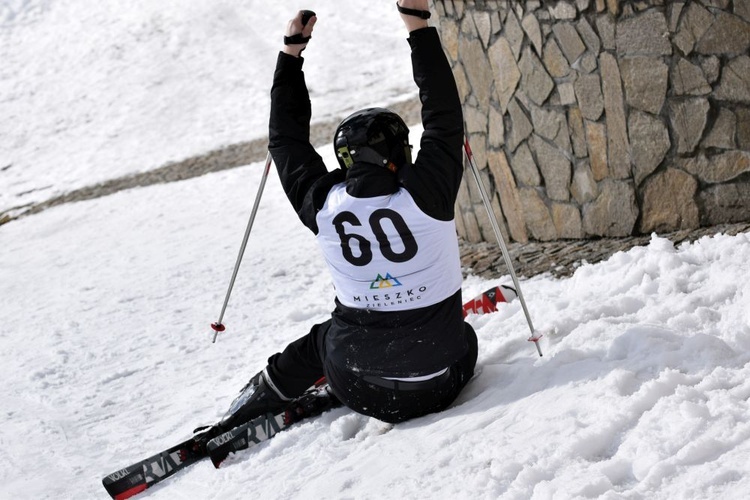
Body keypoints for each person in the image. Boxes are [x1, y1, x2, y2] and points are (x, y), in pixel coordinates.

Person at [197, 0, 476, 447]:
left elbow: (285, 140)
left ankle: (250, 403)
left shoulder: (323, 203)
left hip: (357, 387)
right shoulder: (429, 192)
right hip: (441, 383)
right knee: (461, 334)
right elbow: (442, 113)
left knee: (323, 339)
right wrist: (416, 23)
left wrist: (291, 53)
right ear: (400, 150)